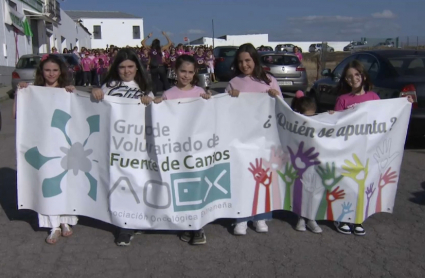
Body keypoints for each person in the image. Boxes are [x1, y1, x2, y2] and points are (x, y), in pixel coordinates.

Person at [332, 60, 413, 236]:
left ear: (363, 76)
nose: (353, 79)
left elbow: (385, 117)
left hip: (369, 149)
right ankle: (342, 217)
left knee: (364, 183)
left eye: (356, 75)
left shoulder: (374, 98)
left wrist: (404, 102)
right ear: (345, 80)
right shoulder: (343, 100)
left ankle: (358, 218)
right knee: (347, 183)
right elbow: (336, 125)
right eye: (349, 77)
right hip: (349, 149)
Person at [91, 49, 153, 246]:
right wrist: (95, 92)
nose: (126, 71)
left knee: (137, 183)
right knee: (119, 183)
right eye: (122, 67)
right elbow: (95, 107)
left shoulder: (144, 87)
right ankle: (124, 226)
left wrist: (150, 102)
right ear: (116, 68)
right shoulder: (109, 86)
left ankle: (137, 219)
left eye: (130, 67)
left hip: (137, 144)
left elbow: (156, 114)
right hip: (115, 145)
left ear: (137, 68)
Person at [15, 54, 76, 244]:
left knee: (65, 181)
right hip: (43, 145)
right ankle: (53, 225)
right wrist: (21, 94)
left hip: (64, 144)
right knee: (48, 183)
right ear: (42, 72)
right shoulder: (34, 91)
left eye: (55, 70)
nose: (51, 74)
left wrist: (73, 93)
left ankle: (66, 220)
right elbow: (17, 115)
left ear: (61, 72)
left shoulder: (67, 91)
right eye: (47, 70)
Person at [154, 55, 211, 244]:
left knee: (197, 184)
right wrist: (155, 103)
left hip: (196, 148)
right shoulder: (169, 94)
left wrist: (208, 100)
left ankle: (198, 227)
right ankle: (186, 224)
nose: (186, 76)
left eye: (190, 72)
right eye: (182, 71)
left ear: (195, 73)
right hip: (176, 149)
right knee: (180, 185)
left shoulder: (200, 92)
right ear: (175, 72)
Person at [225, 43, 281, 235]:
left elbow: (280, 108)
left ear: (255, 60)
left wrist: (275, 96)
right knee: (242, 177)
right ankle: (241, 217)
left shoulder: (269, 80)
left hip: (264, 139)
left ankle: (261, 216)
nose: (244, 65)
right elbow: (225, 111)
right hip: (241, 139)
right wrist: (230, 98)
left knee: (262, 177)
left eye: (247, 60)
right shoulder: (234, 83)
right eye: (240, 61)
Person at [290, 90, 323, 233]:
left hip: (316, 162)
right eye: (307, 116)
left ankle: (312, 218)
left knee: (315, 188)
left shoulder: (319, 121)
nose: (310, 119)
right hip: (300, 162)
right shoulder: (294, 123)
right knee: (301, 189)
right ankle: (301, 218)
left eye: (313, 115)